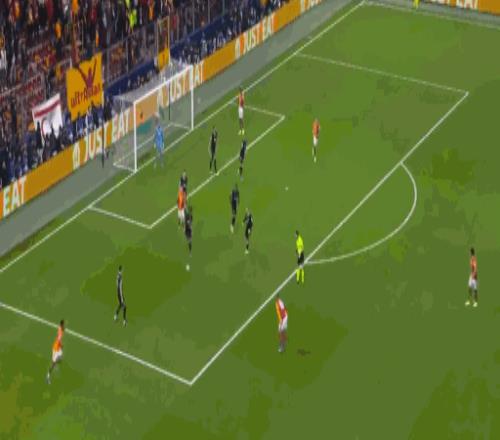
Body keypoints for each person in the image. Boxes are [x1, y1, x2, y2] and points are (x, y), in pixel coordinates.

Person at [47, 320, 65, 384]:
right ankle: (48, 376)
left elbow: (60, 329)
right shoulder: (60, 332)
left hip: (58, 347)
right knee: (53, 364)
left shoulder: (60, 329)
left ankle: (58, 360)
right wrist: (61, 345)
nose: (64, 325)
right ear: (62, 325)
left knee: (61, 354)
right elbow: (59, 340)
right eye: (63, 324)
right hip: (55, 349)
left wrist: (62, 327)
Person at [185, 205, 193, 270]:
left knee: (189, 241)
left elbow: (190, 223)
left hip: (188, 230)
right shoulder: (188, 215)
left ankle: (190, 252)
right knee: (189, 240)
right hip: (187, 230)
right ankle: (189, 252)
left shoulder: (190, 216)